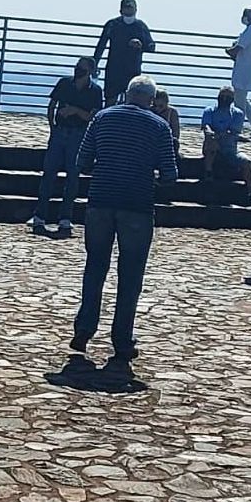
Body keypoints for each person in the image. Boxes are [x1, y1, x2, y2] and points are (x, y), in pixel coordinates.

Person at [70, 76, 177, 361]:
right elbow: (170, 175)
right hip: (137, 205)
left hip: (101, 201)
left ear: (127, 94)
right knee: (130, 274)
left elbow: (82, 161)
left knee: (95, 267)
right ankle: (122, 339)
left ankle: (84, 329)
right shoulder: (159, 126)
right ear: (152, 100)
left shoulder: (102, 118)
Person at [31, 57, 103, 236]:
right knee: (49, 174)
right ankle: (39, 216)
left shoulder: (95, 91)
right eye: (77, 67)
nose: (78, 71)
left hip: (78, 135)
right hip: (60, 132)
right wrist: (52, 127)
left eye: (82, 69)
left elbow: (93, 117)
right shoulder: (64, 83)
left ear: (91, 72)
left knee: (73, 178)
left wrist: (76, 111)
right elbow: (52, 104)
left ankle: (65, 218)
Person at [93, 0, 156, 107]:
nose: (128, 11)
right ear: (121, 10)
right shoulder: (113, 24)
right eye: (126, 8)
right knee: (110, 98)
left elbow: (151, 46)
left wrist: (141, 46)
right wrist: (94, 64)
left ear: (136, 10)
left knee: (132, 99)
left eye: (130, 8)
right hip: (114, 68)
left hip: (132, 69)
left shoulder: (140, 26)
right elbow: (101, 45)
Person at [201, 86, 251, 199]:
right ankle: (208, 174)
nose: (224, 98)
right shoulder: (209, 110)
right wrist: (211, 133)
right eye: (222, 95)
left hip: (231, 150)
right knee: (212, 143)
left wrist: (217, 134)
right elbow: (206, 126)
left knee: (247, 162)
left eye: (228, 96)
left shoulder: (238, 113)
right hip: (212, 147)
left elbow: (233, 131)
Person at [227, 6, 251, 131]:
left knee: (239, 103)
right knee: (242, 99)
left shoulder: (250, 32)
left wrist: (228, 50)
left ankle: (237, 128)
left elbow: (237, 49)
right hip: (244, 70)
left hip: (243, 72)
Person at [152, 89, 182, 161]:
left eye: (161, 106)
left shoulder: (172, 112)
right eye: (155, 105)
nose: (157, 109)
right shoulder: (150, 110)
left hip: (167, 140)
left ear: (167, 103)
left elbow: (176, 133)